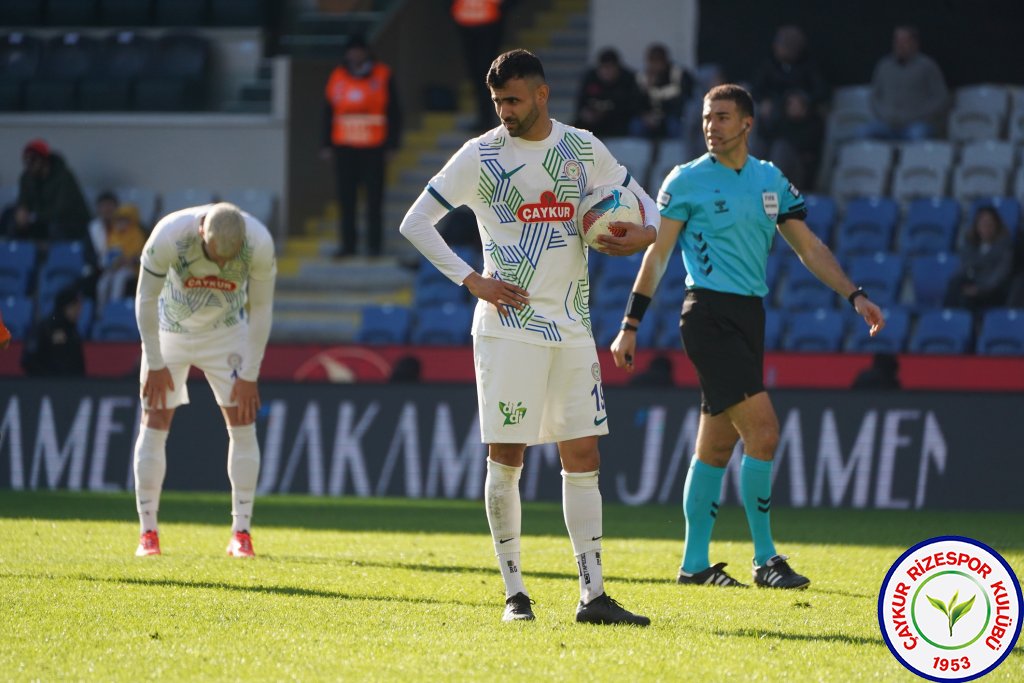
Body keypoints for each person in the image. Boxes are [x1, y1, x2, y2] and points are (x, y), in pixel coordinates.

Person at [400, 49, 657, 625]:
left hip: (571, 326)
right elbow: (414, 222)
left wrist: (642, 234)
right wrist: (472, 280)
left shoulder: (583, 147)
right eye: (497, 102)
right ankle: (515, 593)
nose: (504, 112)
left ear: (542, 94)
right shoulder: (482, 155)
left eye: (513, 100)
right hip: (508, 329)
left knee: (584, 452)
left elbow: (647, 205)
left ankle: (593, 597)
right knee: (507, 454)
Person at [611, 84, 885, 590]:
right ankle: (765, 559)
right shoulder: (686, 180)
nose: (711, 126)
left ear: (747, 124)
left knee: (715, 448)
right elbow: (658, 256)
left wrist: (854, 294)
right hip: (708, 316)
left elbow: (809, 248)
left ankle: (694, 566)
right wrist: (631, 324)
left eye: (722, 117)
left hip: (748, 317)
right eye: (706, 118)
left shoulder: (770, 180)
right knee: (764, 433)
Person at [132, 202, 276, 558]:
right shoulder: (169, 234)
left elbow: (261, 310)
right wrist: (154, 360)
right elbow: (145, 298)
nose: (225, 265)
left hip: (226, 334)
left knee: (243, 421)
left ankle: (241, 533)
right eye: (217, 256)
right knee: (154, 421)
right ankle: (147, 533)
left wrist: (250, 374)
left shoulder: (259, 242)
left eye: (231, 259)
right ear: (201, 234)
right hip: (171, 331)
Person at [321, 35, 402, 258]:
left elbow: (394, 111)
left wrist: (392, 145)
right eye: (351, 50)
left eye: (359, 50)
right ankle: (348, 245)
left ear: (366, 52)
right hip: (344, 148)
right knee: (346, 200)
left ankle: (374, 246)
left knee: (374, 199)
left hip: (373, 147)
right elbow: (328, 112)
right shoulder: (337, 76)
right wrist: (326, 144)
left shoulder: (382, 75)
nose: (355, 55)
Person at [860, 26, 948, 141]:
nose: (900, 45)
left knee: (918, 135)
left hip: (916, 123)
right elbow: (874, 96)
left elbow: (940, 98)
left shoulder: (927, 66)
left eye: (904, 41)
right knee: (863, 132)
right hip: (888, 124)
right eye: (897, 41)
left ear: (915, 43)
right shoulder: (884, 66)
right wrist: (884, 114)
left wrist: (917, 115)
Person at [11, 139, 92, 244]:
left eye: (33, 160)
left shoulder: (63, 176)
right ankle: (16, 256)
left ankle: (57, 258)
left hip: (72, 223)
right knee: (14, 223)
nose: (29, 165)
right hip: (41, 220)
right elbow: (23, 200)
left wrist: (34, 216)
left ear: (44, 159)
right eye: (26, 161)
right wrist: (22, 212)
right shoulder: (26, 177)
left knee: (55, 228)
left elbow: (62, 210)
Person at [451, 0, 513, 132]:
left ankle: (490, 118)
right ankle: (485, 118)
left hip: (489, 22)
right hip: (467, 22)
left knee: (487, 72)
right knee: (477, 74)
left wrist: (502, 11)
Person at [943, 206, 1014, 311]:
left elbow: (999, 276)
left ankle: (968, 325)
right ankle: (947, 318)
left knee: (967, 299)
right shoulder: (970, 244)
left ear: (997, 225)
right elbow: (963, 268)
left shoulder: (1005, 247)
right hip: (972, 284)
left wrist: (979, 289)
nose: (986, 227)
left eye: (989, 223)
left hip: (992, 291)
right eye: (982, 223)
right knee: (955, 284)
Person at [755, 89, 824, 191]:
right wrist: (764, 118)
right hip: (778, 170)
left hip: (800, 172)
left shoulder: (814, 124)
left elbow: (808, 149)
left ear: (804, 105)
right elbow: (766, 136)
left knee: (781, 148)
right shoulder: (783, 122)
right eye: (789, 104)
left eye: (796, 103)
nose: (792, 107)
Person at [574, 48, 643, 139]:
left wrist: (608, 112)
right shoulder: (590, 78)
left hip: (620, 121)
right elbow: (581, 102)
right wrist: (586, 113)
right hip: (594, 121)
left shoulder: (628, 79)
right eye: (604, 68)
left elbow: (633, 106)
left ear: (617, 68)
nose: (606, 72)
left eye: (610, 68)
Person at [631, 43, 693, 141]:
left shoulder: (677, 74)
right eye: (652, 62)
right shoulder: (642, 77)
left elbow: (684, 98)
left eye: (658, 62)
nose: (654, 66)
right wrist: (644, 115)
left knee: (676, 126)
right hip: (649, 118)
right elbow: (635, 101)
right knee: (636, 126)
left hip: (672, 116)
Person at [20, 285, 86, 376]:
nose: (79, 311)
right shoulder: (45, 327)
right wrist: (48, 379)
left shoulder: (73, 331)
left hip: (69, 386)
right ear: (66, 306)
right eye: (76, 307)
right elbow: (29, 359)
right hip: (45, 386)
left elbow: (78, 364)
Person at [95, 204, 147, 310]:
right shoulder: (114, 234)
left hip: (130, 269)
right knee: (102, 284)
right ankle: (100, 313)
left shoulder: (137, 234)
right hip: (114, 269)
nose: (121, 222)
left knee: (118, 282)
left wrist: (124, 260)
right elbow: (108, 253)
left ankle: (114, 310)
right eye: (119, 219)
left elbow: (137, 256)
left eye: (124, 219)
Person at [88, 190, 119, 266]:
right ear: (98, 209)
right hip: (99, 268)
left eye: (110, 205)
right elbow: (89, 254)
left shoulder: (127, 225)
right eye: (104, 206)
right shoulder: (92, 228)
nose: (107, 209)